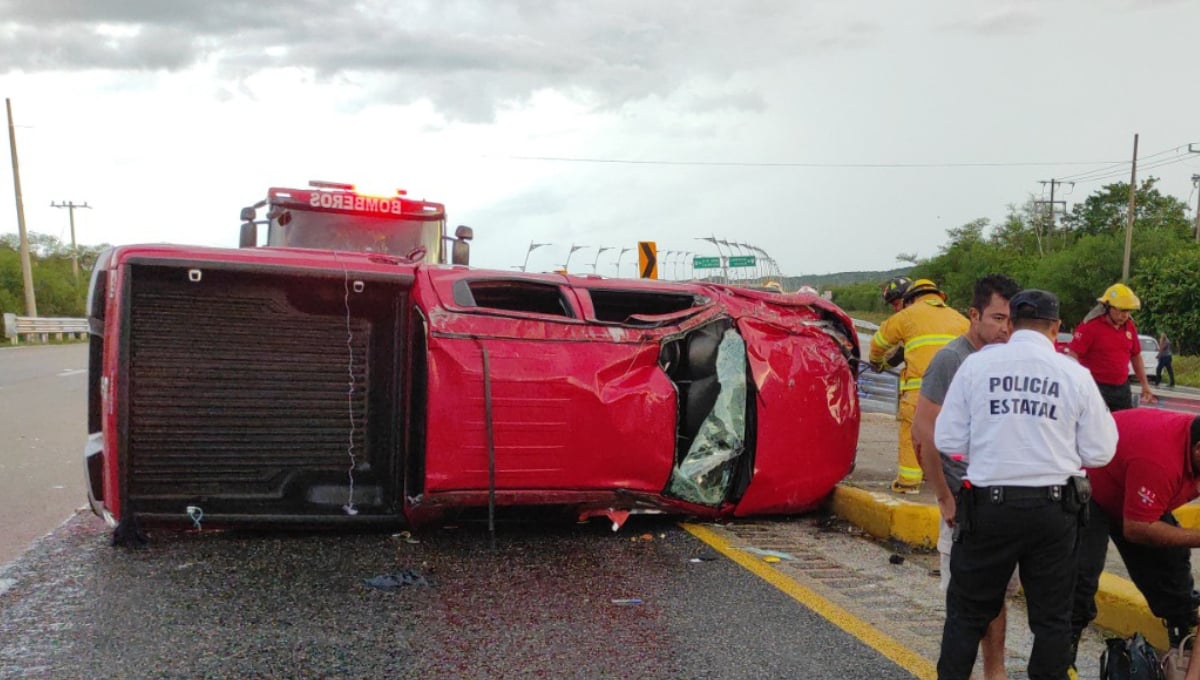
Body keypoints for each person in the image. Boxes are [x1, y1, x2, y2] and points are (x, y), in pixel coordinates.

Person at [934, 289, 1118, 680]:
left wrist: (991, 443)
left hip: (988, 508)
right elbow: (1101, 450)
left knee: (966, 616)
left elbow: (947, 441)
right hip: (1054, 511)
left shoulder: (977, 367)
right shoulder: (1074, 374)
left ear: (1012, 323)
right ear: (1056, 328)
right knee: (1051, 620)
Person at [912, 274, 1021, 680]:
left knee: (998, 596)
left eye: (1011, 320)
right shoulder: (951, 360)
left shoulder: (1008, 360)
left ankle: (996, 672)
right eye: (996, 318)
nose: (1004, 329)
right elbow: (923, 433)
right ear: (973, 315)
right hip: (962, 499)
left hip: (1002, 501)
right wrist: (944, 496)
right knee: (963, 600)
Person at [1069, 409, 1200, 674]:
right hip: (1091, 485)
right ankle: (1061, 657)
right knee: (1081, 574)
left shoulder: (1185, 458)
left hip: (1135, 481)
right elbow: (1137, 529)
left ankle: (1182, 638)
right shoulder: (1162, 462)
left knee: (1170, 564)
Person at [870, 278, 969, 494]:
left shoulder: (907, 316)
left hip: (920, 392)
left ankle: (908, 483)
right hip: (956, 395)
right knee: (947, 435)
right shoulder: (961, 320)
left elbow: (878, 342)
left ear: (910, 299)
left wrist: (877, 362)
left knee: (911, 432)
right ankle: (948, 480)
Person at [1066, 282, 1156, 411]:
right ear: (1107, 307)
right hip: (1095, 386)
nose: (1124, 315)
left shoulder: (1129, 326)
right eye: (1120, 310)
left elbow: (1136, 356)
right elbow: (1073, 356)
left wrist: (1145, 385)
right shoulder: (1090, 326)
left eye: (1128, 311)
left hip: (1121, 388)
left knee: (1123, 425)